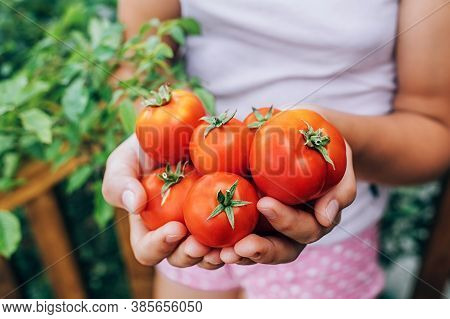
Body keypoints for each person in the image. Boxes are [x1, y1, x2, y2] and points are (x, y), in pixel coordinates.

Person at [102, 0, 449, 298]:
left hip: (328, 233)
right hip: (190, 209)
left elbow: (434, 128)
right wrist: (156, 139)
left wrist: (330, 137)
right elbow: (138, 68)